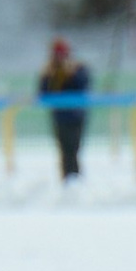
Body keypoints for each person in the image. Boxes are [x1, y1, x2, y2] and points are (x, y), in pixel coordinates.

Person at [38, 35, 91, 181]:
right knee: (64, 150)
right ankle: (67, 179)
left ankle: (75, 178)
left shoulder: (78, 69)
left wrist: (71, 73)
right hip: (60, 116)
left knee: (73, 149)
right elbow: (43, 92)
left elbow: (83, 86)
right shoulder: (49, 72)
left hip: (76, 115)